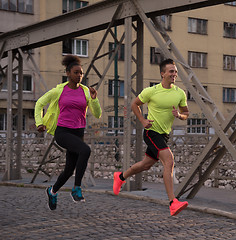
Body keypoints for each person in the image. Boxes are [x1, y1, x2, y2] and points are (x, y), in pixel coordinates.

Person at [113, 58, 189, 216]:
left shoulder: (180, 93)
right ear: (162, 74)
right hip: (151, 131)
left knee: (145, 165)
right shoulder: (151, 91)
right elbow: (134, 104)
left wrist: (179, 115)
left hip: (164, 134)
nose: (174, 74)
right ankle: (172, 202)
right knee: (169, 160)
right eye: (171, 71)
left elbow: (186, 114)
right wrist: (142, 120)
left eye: (175, 71)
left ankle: (120, 176)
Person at [34, 55, 102, 210]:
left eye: (81, 73)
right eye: (76, 72)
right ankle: (77, 188)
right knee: (85, 150)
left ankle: (52, 191)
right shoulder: (59, 90)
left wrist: (94, 99)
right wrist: (39, 123)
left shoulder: (86, 91)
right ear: (68, 73)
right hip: (62, 132)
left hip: (78, 132)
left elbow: (97, 114)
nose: (79, 75)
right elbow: (39, 103)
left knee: (69, 170)